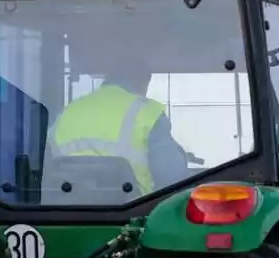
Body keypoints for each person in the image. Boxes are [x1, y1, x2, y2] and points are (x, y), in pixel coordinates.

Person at [47, 62, 190, 196]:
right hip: (133, 213)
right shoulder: (146, 112)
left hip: (68, 213)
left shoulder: (68, 112)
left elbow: (45, 165)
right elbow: (172, 179)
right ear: (143, 80)